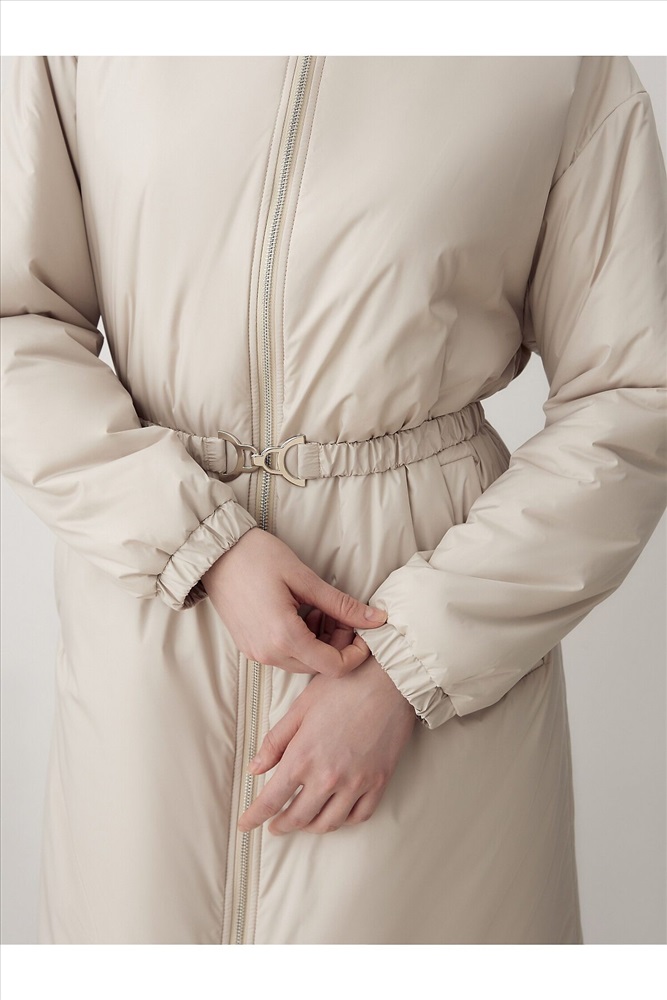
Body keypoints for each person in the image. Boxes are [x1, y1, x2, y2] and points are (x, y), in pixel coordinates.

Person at [1, 54, 665, 945]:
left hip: (428, 657)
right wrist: (201, 543)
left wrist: (410, 663)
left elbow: (633, 395)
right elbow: (16, 320)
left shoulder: (561, 56)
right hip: (150, 643)